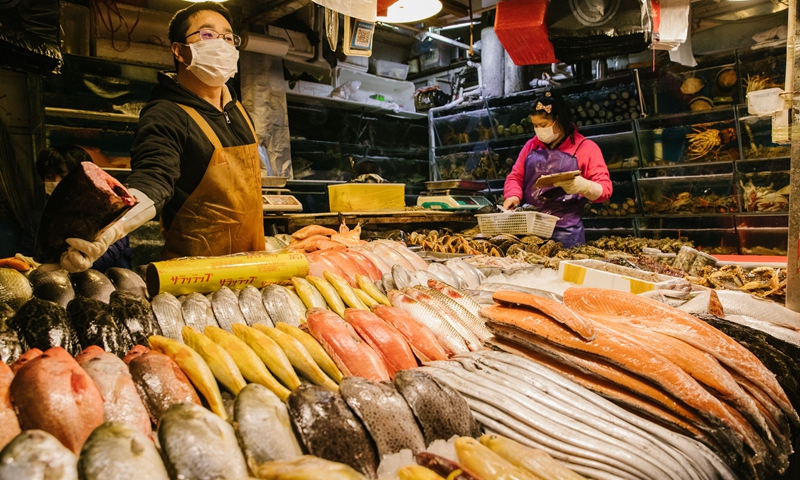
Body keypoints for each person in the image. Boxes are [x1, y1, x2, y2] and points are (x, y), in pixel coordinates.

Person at [57, 2, 264, 272]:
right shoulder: (165, 114)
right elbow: (152, 181)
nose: (222, 44)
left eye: (228, 37)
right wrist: (110, 229)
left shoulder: (237, 109)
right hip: (197, 276)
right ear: (179, 51)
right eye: (207, 35)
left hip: (256, 265)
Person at [503, 91, 612, 248]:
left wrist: (586, 187)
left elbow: (605, 189)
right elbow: (515, 177)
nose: (539, 130)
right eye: (535, 125)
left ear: (560, 120)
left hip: (566, 235)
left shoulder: (586, 148)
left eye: (543, 125)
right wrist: (513, 196)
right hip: (529, 232)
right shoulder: (531, 146)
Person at [35, 145, 134, 271]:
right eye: (49, 177)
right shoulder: (39, 217)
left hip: (109, 281)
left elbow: (111, 254)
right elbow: (33, 254)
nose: (56, 182)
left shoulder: (107, 209)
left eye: (64, 176)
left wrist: (66, 265)